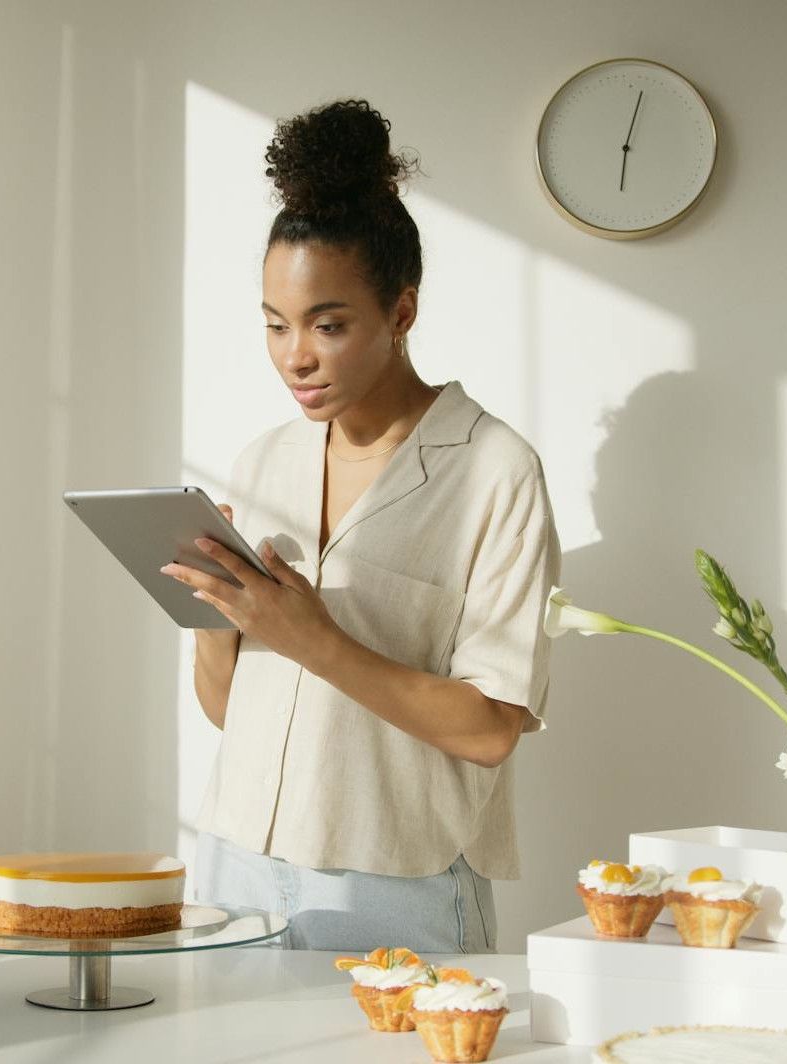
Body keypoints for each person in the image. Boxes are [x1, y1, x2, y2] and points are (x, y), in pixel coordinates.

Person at [162, 99, 559, 953]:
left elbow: (492, 729)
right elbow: (234, 711)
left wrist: (312, 636)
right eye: (274, 325)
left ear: (402, 313)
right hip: (237, 861)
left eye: (327, 325)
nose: (294, 355)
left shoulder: (495, 472)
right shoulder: (266, 461)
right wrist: (214, 625)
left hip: (396, 880)